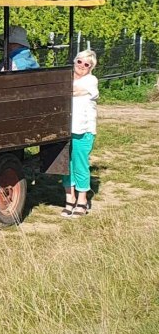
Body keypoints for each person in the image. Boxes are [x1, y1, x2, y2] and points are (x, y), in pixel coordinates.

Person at [63, 49, 99, 218]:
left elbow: (73, 90)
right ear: (75, 61)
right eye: (80, 62)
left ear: (91, 67)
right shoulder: (67, 77)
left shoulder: (91, 80)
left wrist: (61, 88)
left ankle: (82, 200)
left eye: (87, 64)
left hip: (83, 130)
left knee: (80, 165)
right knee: (65, 164)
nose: (82, 66)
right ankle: (69, 198)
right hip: (65, 128)